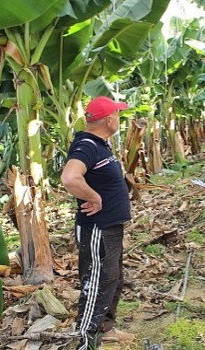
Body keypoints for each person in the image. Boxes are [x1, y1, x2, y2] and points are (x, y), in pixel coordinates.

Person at [61, 96, 133, 350]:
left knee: (112, 279)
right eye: (118, 115)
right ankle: (86, 341)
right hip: (97, 230)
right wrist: (94, 197)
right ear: (110, 119)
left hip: (110, 228)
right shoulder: (87, 145)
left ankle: (104, 329)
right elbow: (70, 177)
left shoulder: (101, 144)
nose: (120, 120)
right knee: (97, 283)